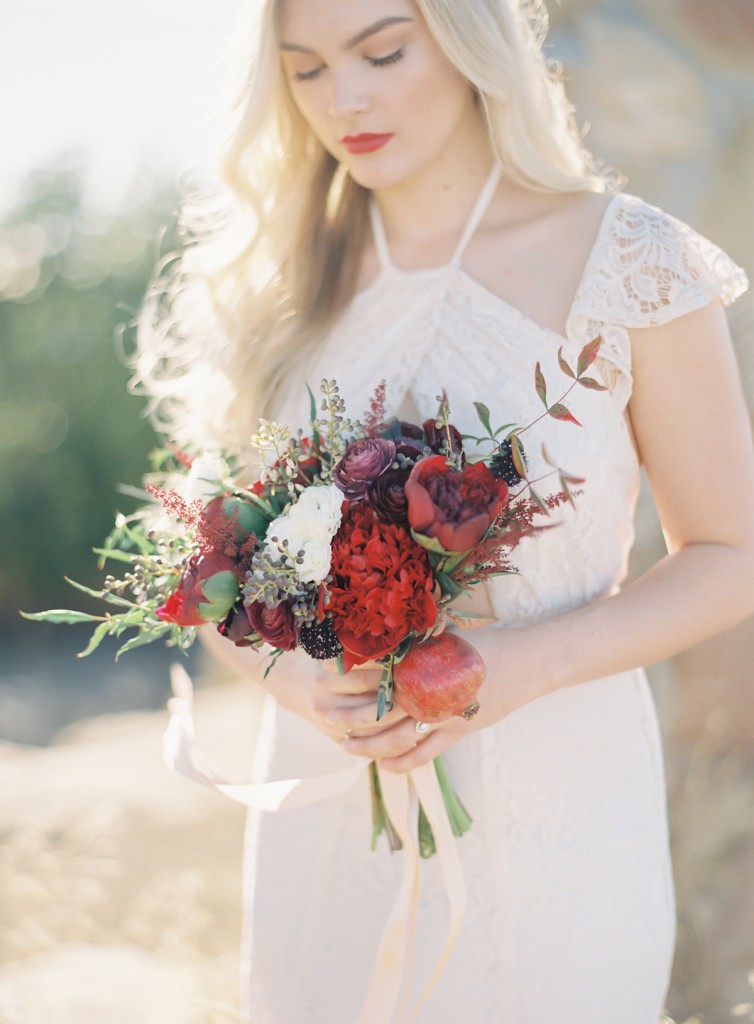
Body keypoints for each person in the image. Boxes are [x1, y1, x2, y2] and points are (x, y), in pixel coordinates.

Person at [134, 0, 754, 1021]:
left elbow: (733, 552)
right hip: (329, 815)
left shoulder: (632, 259)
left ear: (471, 38)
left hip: (559, 803)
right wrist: (292, 677)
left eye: (381, 52)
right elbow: (212, 566)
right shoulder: (281, 278)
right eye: (306, 70)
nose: (347, 100)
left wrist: (524, 663)